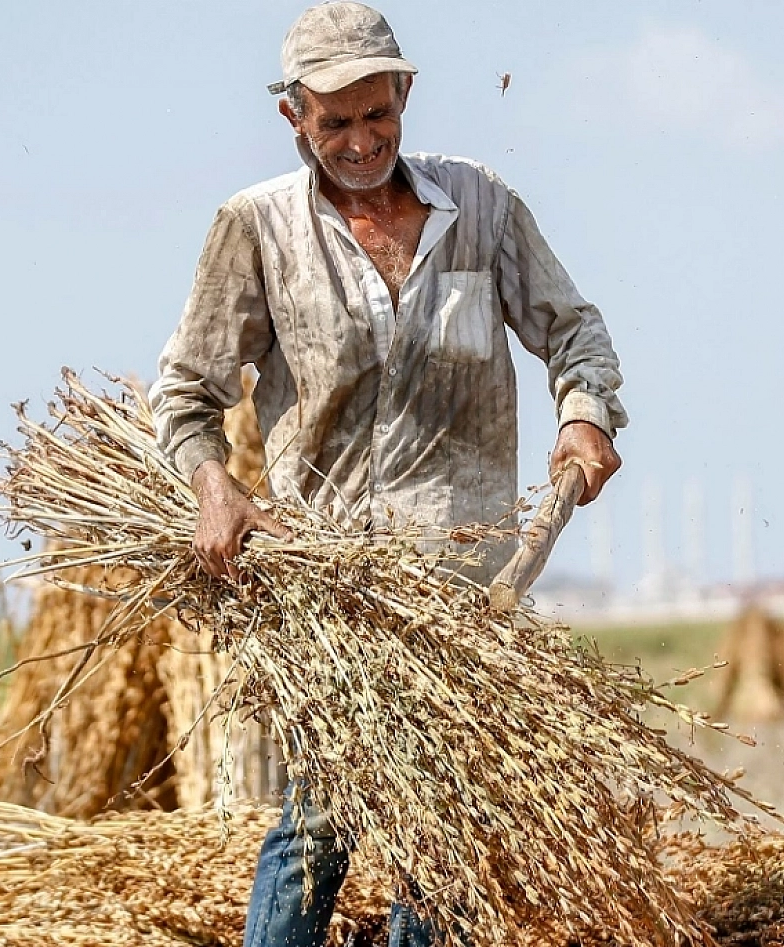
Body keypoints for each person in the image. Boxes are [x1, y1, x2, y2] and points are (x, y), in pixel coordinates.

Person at [147, 3, 627, 945]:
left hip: (468, 584)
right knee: (319, 819)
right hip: (332, 583)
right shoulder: (257, 228)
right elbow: (185, 390)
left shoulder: (479, 206)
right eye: (336, 122)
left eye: (379, 113)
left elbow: (574, 331)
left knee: (443, 836)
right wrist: (215, 488)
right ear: (293, 116)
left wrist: (584, 414)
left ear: (405, 93)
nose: (362, 141)